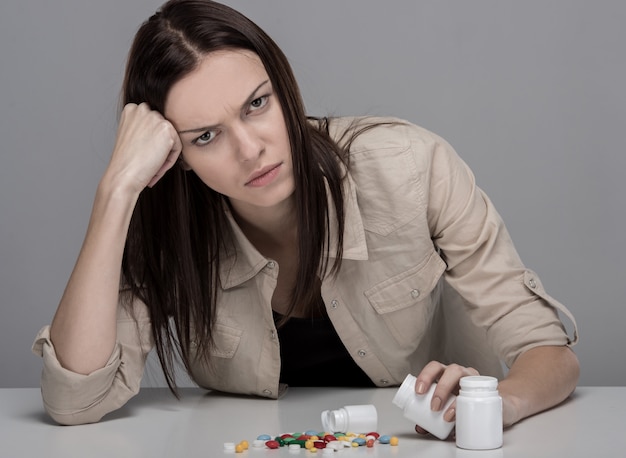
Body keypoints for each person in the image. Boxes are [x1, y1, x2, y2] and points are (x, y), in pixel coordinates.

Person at [32, 0, 579, 430]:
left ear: (285, 88)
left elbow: (548, 352)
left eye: (257, 104)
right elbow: (74, 401)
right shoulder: (170, 228)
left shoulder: (411, 166)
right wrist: (116, 191)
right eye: (205, 136)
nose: (251, 149)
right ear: (179, 159)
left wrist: (494, 406)